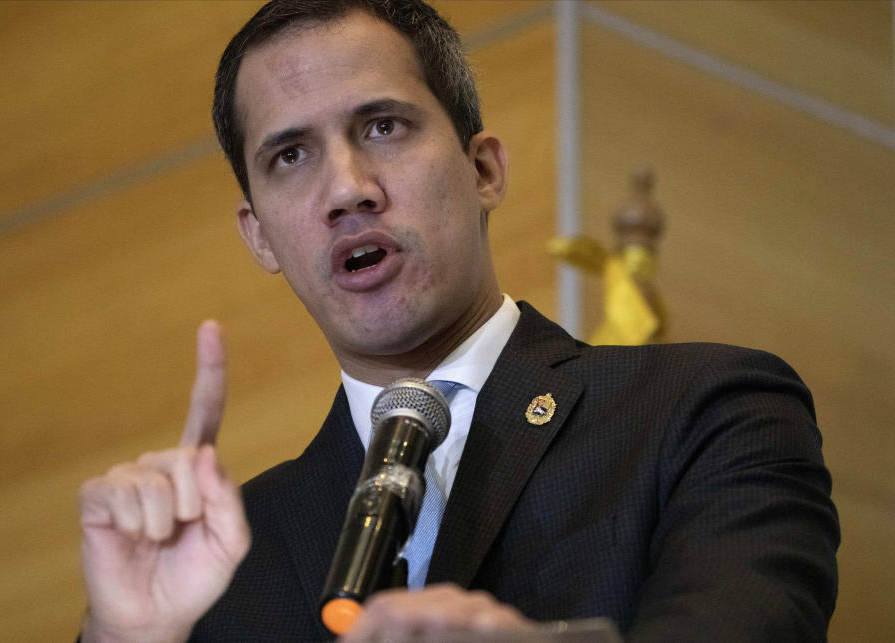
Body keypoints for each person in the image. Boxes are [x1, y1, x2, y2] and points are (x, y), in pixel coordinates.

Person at [77, 1, 840, 641]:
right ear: (260, 236)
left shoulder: (705, 411)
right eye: (290, 155)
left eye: (382, 126)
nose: (347, 189)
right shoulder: (221, 556)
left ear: (484, 170)